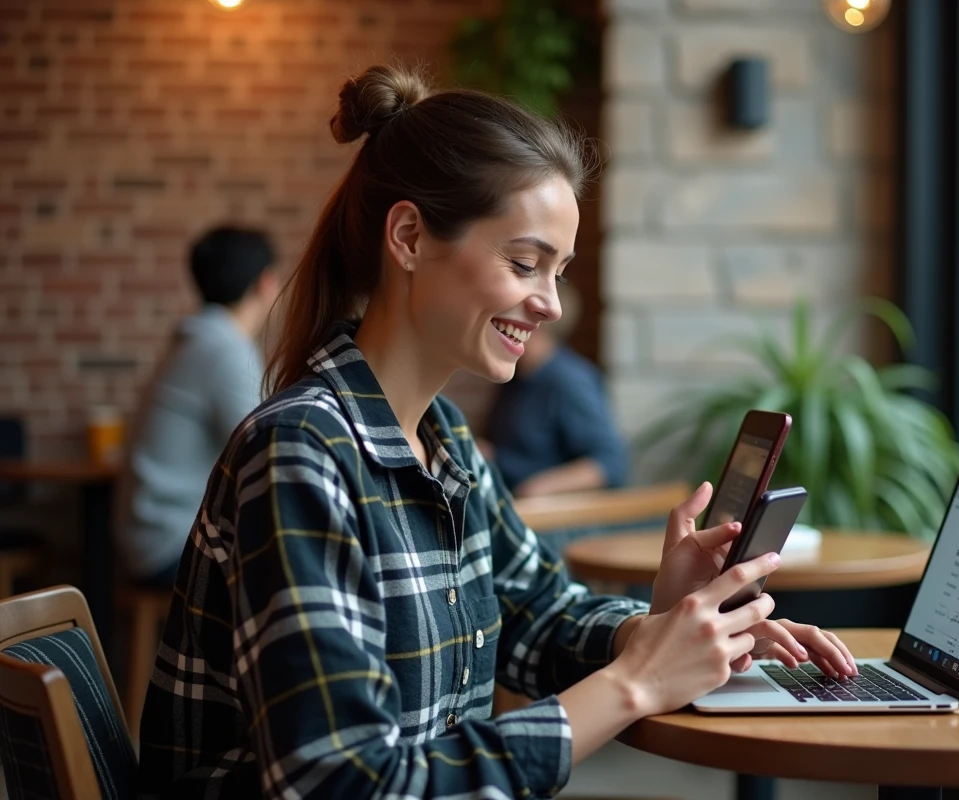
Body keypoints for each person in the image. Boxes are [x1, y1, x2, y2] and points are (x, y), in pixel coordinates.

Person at [135, 65, 857, 799]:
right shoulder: (301, 453)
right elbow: (340, 783)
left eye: (559, 273)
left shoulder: (442, 438)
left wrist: (656, 630)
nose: (548, 304)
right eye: (524, 264)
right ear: (410, 237)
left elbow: (534, 609)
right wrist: (634, 685)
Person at [114, 226, 279, 589]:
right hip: (170, 542)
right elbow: (264, 455)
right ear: (266, 283)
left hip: (148, 532)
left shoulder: (196, 338)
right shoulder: (225, 350)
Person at [482, 280, 627, 497]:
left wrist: (537, 488)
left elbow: (610, 463)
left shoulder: (569, 380)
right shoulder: (513, 375)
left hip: (546, 518)